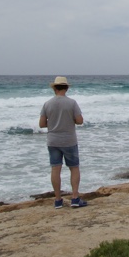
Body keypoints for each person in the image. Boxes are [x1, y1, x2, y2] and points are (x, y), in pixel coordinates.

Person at [38, 76, 86, 208]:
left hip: (53, 141)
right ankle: (75, 198)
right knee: (74, 168)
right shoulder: (72, 103)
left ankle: (58, 200)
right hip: (69, 140)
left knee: (55, 168)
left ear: (54, 88)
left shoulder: (47, 104)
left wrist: (53, 122)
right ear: (67, 88)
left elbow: (42, 124)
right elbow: (80, 121)